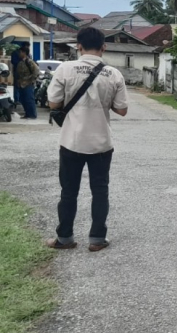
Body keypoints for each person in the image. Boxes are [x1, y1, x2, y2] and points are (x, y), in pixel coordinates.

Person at [44, 27, 128, 252]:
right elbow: (122, 110)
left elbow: (53, 104)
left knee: (68, 191)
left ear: (78, 45)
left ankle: (64, 238)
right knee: (100, 190)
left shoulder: (65, 69)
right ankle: (97, 239)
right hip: (101, 142)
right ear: (104, 46)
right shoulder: (114, 74)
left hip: (71, 141)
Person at [16, 46, 39, 119]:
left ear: (24, 53)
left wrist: (32, 80)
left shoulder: (29, 61)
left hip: (28, 84)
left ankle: (32, 115)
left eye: (20, 52)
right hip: (22, 84)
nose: (19, 53)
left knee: (29, 100)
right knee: (23, 100)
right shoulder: (21, 62)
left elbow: (36, 71)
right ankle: (27, 114)